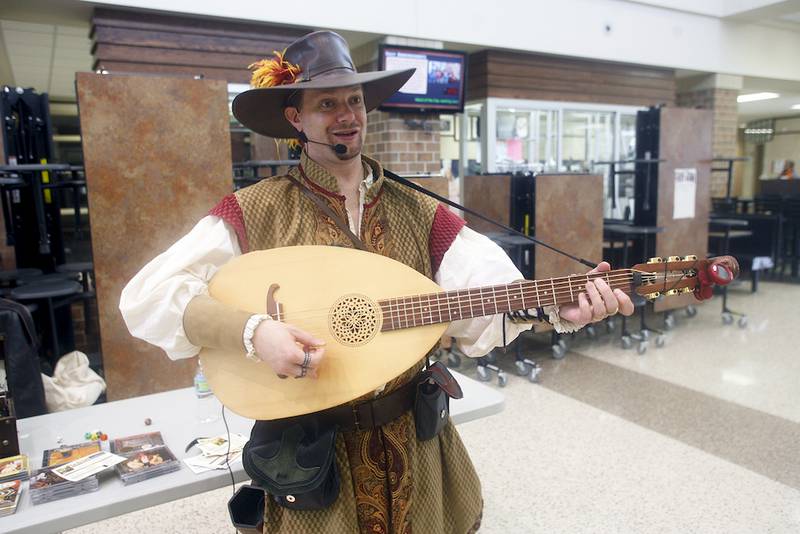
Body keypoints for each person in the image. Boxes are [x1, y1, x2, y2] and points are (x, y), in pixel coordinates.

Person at [119, 31, 633, 534]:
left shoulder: (422, 210)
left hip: (415, 440)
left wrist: (554, 307)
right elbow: (150, 296)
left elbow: (487, 293)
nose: (346, 116)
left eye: (354, 101)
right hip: (313, 453)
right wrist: (254, 331)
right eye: (327, 104)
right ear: (295, 118)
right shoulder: (253, 211)